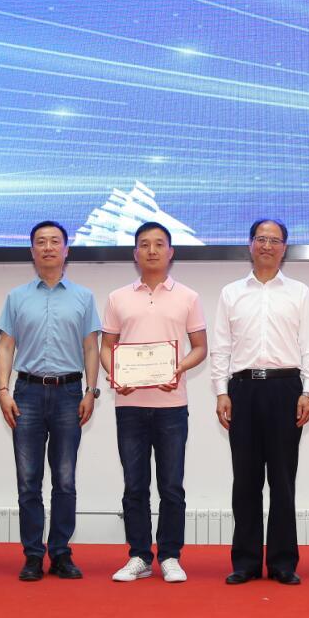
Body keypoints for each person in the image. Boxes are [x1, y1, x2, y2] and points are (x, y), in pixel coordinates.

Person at [209, 219, 309, 585]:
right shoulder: (231, 293)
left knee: (283, 480)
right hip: (242, 390)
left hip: (286, 388)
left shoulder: (299, 292)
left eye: (274, 240)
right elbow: (221, 346)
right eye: (261, 239)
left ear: (284, 248)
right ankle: (246, 561)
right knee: (246, 480)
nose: (267, 246)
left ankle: (284, 562)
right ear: (250, 244)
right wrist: (221, 391)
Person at [100, 221, 207, 583]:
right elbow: (106, 346)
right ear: (135, 253)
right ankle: (139, 556)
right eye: (144, 244)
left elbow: (200, 347)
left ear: (170, 252)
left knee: (172, 486)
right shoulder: (118, 297)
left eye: (159, 244)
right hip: (129, 405)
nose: (151, 250)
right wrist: (116, 373)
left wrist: (179, 368)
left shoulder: (188, 297)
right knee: (134, 486)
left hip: (172, 405)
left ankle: (171, 556)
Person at [0, 221, 101, 582]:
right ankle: (32, 554)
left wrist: (91, 391)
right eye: (41, 242)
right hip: (26, 393)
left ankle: (60, 553)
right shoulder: (16, 297)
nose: (48, 247)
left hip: (70, 393)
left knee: (65, 479)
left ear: (66, 250)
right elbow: (6, 347)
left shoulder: (83, 297)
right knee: (28, 480)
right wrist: (3, 391)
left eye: (55, 241)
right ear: (32, 251)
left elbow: (91, 347)